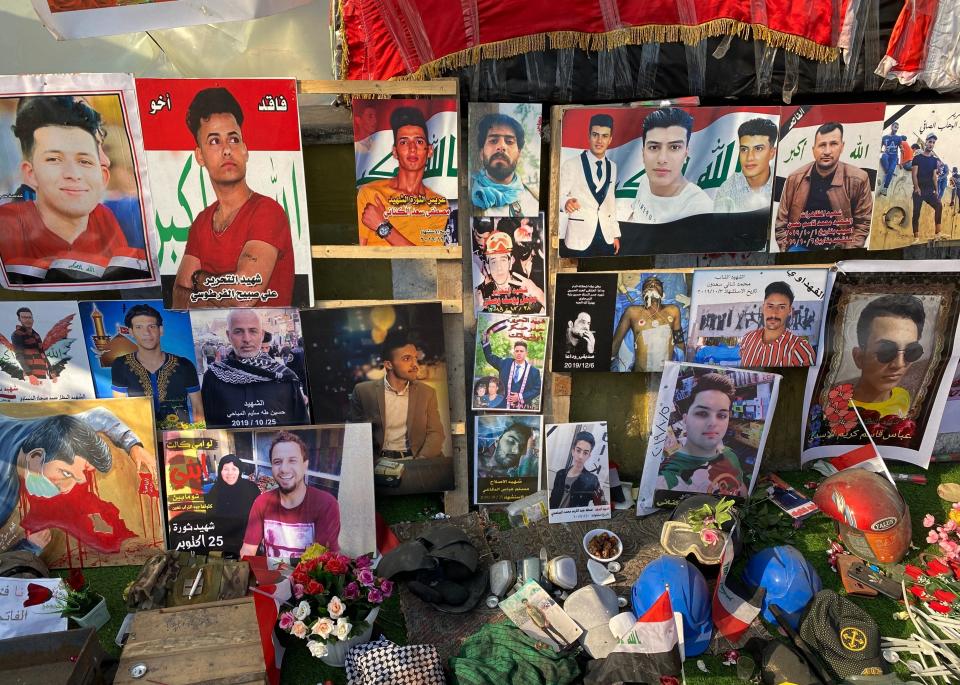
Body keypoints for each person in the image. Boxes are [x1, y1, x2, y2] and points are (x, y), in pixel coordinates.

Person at [0, 96, 147, 284]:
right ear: (30, 172)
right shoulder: (9, 226)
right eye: (54, 159)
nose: (73, 174)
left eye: (84, 161)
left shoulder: (103, 218)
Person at [172, 87, 295, 308]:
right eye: (214, 141)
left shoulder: (267, 211)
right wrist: (220, 292)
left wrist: (199, 280)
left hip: (268, 340)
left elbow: (242, 296)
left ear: (245, 150)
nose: (227, 150)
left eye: (234, 139)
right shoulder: (201, 222)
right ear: (200, 156)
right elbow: (178, 298)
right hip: (211, 341)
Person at [0, 406, 155, 554]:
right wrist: (29, 548)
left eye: (77, 477)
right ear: (35, 457)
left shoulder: (53, 430)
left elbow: (100, 416)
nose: (67, 488)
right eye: (66, 474)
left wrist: (134, 446)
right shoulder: (3, 496)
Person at [356, 107, 449, 246]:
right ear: (395, 152)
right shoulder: (370, 194)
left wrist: (383, 227)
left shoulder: (438, 204)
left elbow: (428, 260)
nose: (412, 148)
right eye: (404, 142)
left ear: (429, 150)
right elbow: (360, 256)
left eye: (419, 141)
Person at [200, 309, 308, 429]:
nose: (246, 339)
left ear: (261, 335)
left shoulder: (285, 377)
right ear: (228, 336)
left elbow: (301, 426)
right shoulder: (213, 376)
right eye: (238, 331)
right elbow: (206, 424)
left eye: (253, 331)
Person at [239, 431, 340, 558]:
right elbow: (248, 551)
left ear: (305, 465)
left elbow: (328, 562)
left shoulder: (326, 504)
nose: (284, 469)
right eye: (277, 462)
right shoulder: (261, 502)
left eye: (292, 461)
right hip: (270, 577)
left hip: (310, 577)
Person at [775, 122, 873, 251]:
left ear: (842, 147)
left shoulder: (859, 179)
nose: (827, 151)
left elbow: (863, 224)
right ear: (813, 149)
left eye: (833, 144)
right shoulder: (795, 178)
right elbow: (781, 222)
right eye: (822, 145)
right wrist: (787, 250)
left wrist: (847, 252)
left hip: (839, 249)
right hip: (800, 247)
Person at [348, 334, 445, 459]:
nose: (415, 365)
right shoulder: (363, 392)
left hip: (416, 458)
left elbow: (436, 433)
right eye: (407, 359)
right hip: (380, 461)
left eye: (415, 358)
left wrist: (421, 460)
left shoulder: (427, 393)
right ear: (389, 365)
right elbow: (356, 436)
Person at [111, 304, 205, 428]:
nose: (146, 333)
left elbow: (198, 408)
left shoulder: (184, 365)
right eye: (139, 327)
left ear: (161, 330)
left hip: (180, 438)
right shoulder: (121, 365)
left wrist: (199, 439)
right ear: (131, 332)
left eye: (152, 326)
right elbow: (120, 408)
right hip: (143, 437)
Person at [833, 294, 925, 420]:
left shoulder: (903, 396)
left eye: (911, 351)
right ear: (859, 357)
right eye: (886, 351)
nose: (899, 364)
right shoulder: (836, 409)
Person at [656, 372, 747, 497]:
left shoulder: (730, 455)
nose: (712, 423)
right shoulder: (667, 477)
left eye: (721, 415)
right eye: (702, 413)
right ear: (685, 419)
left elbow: (741, 490)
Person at [626, 107, 713, 224]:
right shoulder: (646, 179)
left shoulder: (700, 208)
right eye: (654, 147)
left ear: (686, 153)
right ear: (643, 153)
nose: (662, 159)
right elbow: (634, 217)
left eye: (674, 147)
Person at [558, 114, 620, 256]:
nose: (599, 140)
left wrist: (615, 234)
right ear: (588, 136)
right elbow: (558, 196)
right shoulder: (571, 164)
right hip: (579, 238)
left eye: (604, 136)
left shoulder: (613, 167)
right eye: (595, 135)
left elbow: (610, 202)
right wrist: (565, 202)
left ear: (610, 139)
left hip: (605, 237)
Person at [471, 112, 539, 217]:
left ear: (519, 154)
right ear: (481, 153)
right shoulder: (466, 200)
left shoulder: (535, 200)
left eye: (509, 141)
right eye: (493, 140)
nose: (501, 146)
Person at [610, 276, 683, 372]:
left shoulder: (673, 310)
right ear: (642, 293)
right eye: (648, 284)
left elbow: (679, 341)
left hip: (665, 374)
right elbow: (616, 341)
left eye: (657, 283)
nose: (652, 284)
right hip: (640, 375)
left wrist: (683, 365)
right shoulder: (632, 312)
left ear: (663, 293)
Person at [738, 282, 816, 367]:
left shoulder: (801, 350)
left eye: (782, 307)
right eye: (770, 306)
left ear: (790, 310)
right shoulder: (748, 339)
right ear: (763, 308)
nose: (774, 313)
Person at [714, 118, 777, 213]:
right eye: (744, 149)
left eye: (758, 148)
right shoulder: (727, 190)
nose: (749, 157)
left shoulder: (785, 185)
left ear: (772, 153)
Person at [474, 231, 545, 314]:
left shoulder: (525, 289)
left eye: (503, 260)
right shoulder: (481, 294)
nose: (499, 267)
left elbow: (548, 317)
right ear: (487, 267)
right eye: (493, 262)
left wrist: (539, 294)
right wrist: (476, 309)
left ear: (511, 262)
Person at [203, 454, 261, 556]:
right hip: (222, 546)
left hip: (248, 545)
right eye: (225, 469)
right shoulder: (215, 490)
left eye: (234, 469)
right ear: (220, 470)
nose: (230, 473)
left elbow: (259, 518)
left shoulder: (251, 489)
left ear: (239, 471)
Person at [480, 332, 542, 410]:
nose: (519, 353)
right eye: (517, 351)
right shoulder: (505, 363)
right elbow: (490, 358)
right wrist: (486, 342)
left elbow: (537, 389)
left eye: (521, 351)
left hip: (523, 409)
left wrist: (520, 397)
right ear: (514, 353)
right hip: (502, 407)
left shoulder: (534, 371)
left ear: (526, 353)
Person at [548, 430, 602, 510]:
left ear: (589, 456)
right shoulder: (560, 474)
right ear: (573, 451)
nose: (580, 456)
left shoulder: (592, 480)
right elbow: (552, 500)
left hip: (575, 522)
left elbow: (602, 506)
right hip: (555, 519)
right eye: (578, 450)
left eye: (585, 453)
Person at [911, 133, 944, 242]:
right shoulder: (917, 158)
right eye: (930, 142)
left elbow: (934, 176)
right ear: (926, 142)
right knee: (916, 213)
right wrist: (916, 188)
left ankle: (938, 233)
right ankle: (916, 238)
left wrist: (936, 190)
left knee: (939, 206)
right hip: (919, 190)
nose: (931, 144)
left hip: (929, 190)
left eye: (933, 143)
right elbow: (914, 174)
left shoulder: (934, 160)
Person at [10, 307, 55, 385]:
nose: (27, 320)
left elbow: (43, 354)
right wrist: (30, 375)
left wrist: (51, 371)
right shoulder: (17, 334)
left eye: (29, 317)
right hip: (31, 376)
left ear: (33, 319)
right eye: (24, 317)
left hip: (43, 375)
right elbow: (19, 355)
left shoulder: (36, 335)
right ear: (19, 319)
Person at [879, 122, 907, 195]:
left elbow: (901, 147)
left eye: (897, 128)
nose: (896, 129)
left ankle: (885, 188)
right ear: (891, 127)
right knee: (883, 157)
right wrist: (881, 151)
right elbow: (879, 148)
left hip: (894, 157)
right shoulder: (884, 137)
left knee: (891, 169)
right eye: (895, 127)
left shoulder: (898, 138)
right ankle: (890, 173)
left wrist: (902, 149)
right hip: (887, 155)